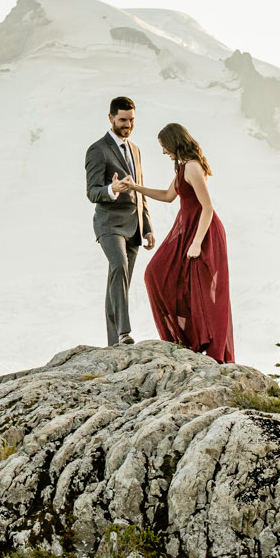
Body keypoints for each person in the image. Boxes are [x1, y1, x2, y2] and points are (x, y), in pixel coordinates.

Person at [116, 122, 233, 363]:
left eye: (164, 147)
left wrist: (197, 242)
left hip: (203, 230)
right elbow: (168, 196)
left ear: (174, 143)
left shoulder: (192, 168)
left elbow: (207, 207)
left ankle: (212, 348)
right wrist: (135, 187)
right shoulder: (182, 169)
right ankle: (187, 339)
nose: (163, 152)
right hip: (187, 229)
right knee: (156, 273)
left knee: (204, 289)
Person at [84, 96, 153, 346]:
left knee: (119, 280)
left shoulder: (135, 150)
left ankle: (114, 343)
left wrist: (148, 228)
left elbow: (140, 189)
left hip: (134, 226)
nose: (128, 125)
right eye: (123, 120)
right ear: (111, 117)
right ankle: (124, 332)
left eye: (131, 120)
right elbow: (92, 191)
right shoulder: (97, 150)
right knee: (119, 265)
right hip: (109, 224)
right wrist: (112, 189)